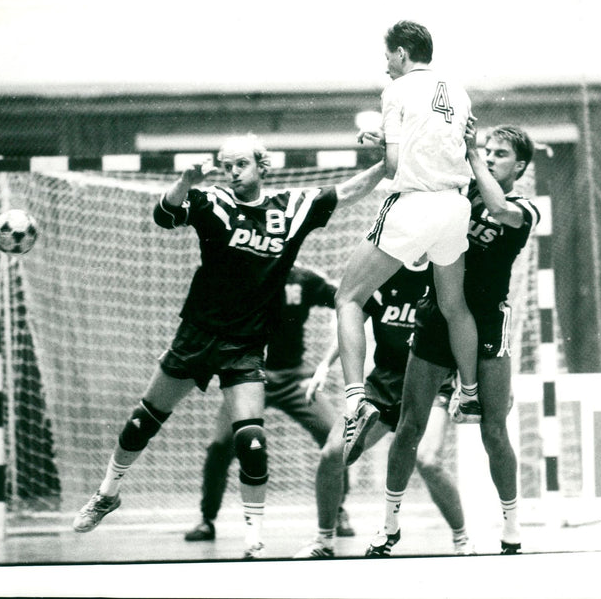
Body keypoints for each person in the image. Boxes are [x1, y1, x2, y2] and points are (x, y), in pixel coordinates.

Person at [71, 134, 387, 559]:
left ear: (262, 165)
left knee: (251, 443)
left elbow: (349, 191)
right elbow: (164, 215)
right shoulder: (211, 202)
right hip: (197, 334)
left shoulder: (291, 210)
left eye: (240, 164)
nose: (232, 172)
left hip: (245, 346)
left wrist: (390, 160)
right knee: (142, 422)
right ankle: (108, 492)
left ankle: (254, 541)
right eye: (226, 165)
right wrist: (184, 181)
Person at [364, 122, 540, 557]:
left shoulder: (523, 208)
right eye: (488, 150)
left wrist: (473, 155)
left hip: (486, 321)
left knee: (494, 430)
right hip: (437, 316)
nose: (490, 156)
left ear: (519, 165)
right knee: (409, 426)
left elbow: (499, 211)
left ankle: (512, 523)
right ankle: (388, 525)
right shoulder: (459, 196)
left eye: (500, 153)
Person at [335, 20, 479, 467]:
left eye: (387, 57)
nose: (386, 66)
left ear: (401, 53)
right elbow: (438, 144)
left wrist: (382, 144)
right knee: (454, 306)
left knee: (348, 299)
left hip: (414, 206)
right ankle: (469, 393)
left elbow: (396, 165)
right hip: (455, 207)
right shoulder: (457, 90)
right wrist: (389, 137)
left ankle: (355, 397)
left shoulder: (395, 92)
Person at [294, 261, 474, 559]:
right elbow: (351, 320)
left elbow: (463, 323)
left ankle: (462, 539)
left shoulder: (444, 274)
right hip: (386, 383)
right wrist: (324, 365)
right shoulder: (384, 273)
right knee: (331, 454)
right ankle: (324, 542)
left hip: (432, 381)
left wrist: (469, 382)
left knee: (429, 461)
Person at [183, 264, 355, 542]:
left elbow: (347, 299)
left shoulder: (303, 279)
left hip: (293, 378)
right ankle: (207, 520)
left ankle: (338, 509)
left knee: (336, 436)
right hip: (247, 377)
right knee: (220, 444)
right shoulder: (240, 274)